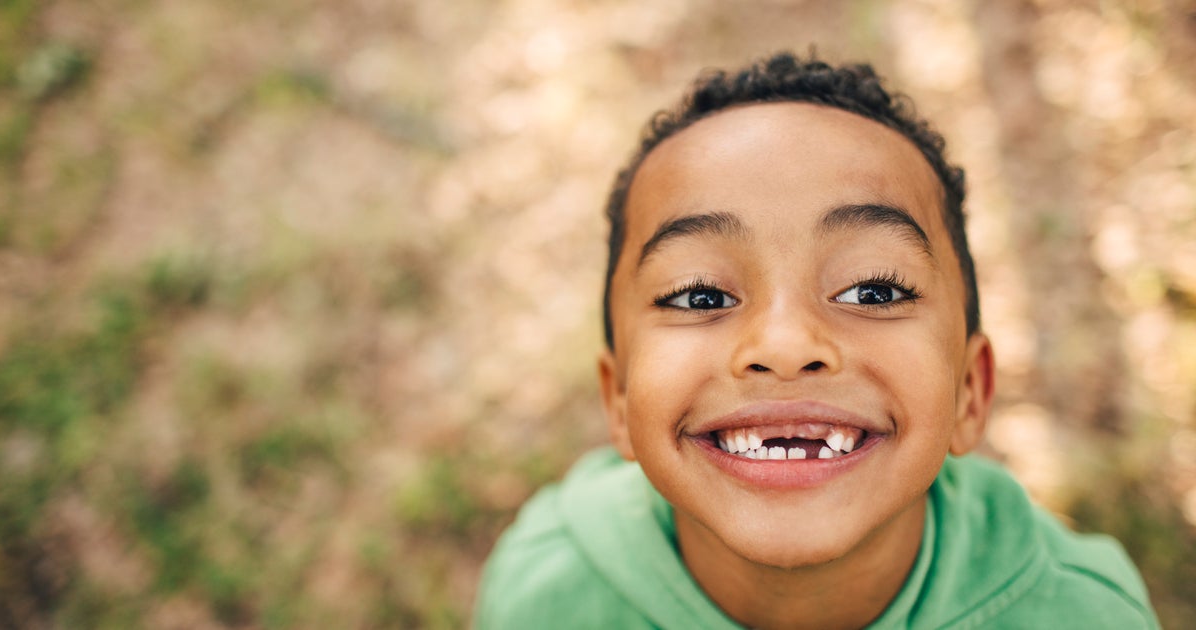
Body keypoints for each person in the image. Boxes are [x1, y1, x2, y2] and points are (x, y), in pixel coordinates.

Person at [474, 51, 1160, 629]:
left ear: (969, 392)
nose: (784, 345)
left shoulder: (1086, 614)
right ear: (619, 400)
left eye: (874, 291)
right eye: (701, 296)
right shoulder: (545, 594)